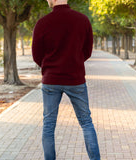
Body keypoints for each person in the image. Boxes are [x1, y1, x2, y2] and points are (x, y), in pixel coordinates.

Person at [32, 0, 100, 159]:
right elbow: (87, 51)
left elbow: (36, 55)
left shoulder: (42, 23)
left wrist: (50, 67)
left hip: (51, 81)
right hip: (75, 79)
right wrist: (74, 62)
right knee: (86, 123)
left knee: (48, 125)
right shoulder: (82, 20)